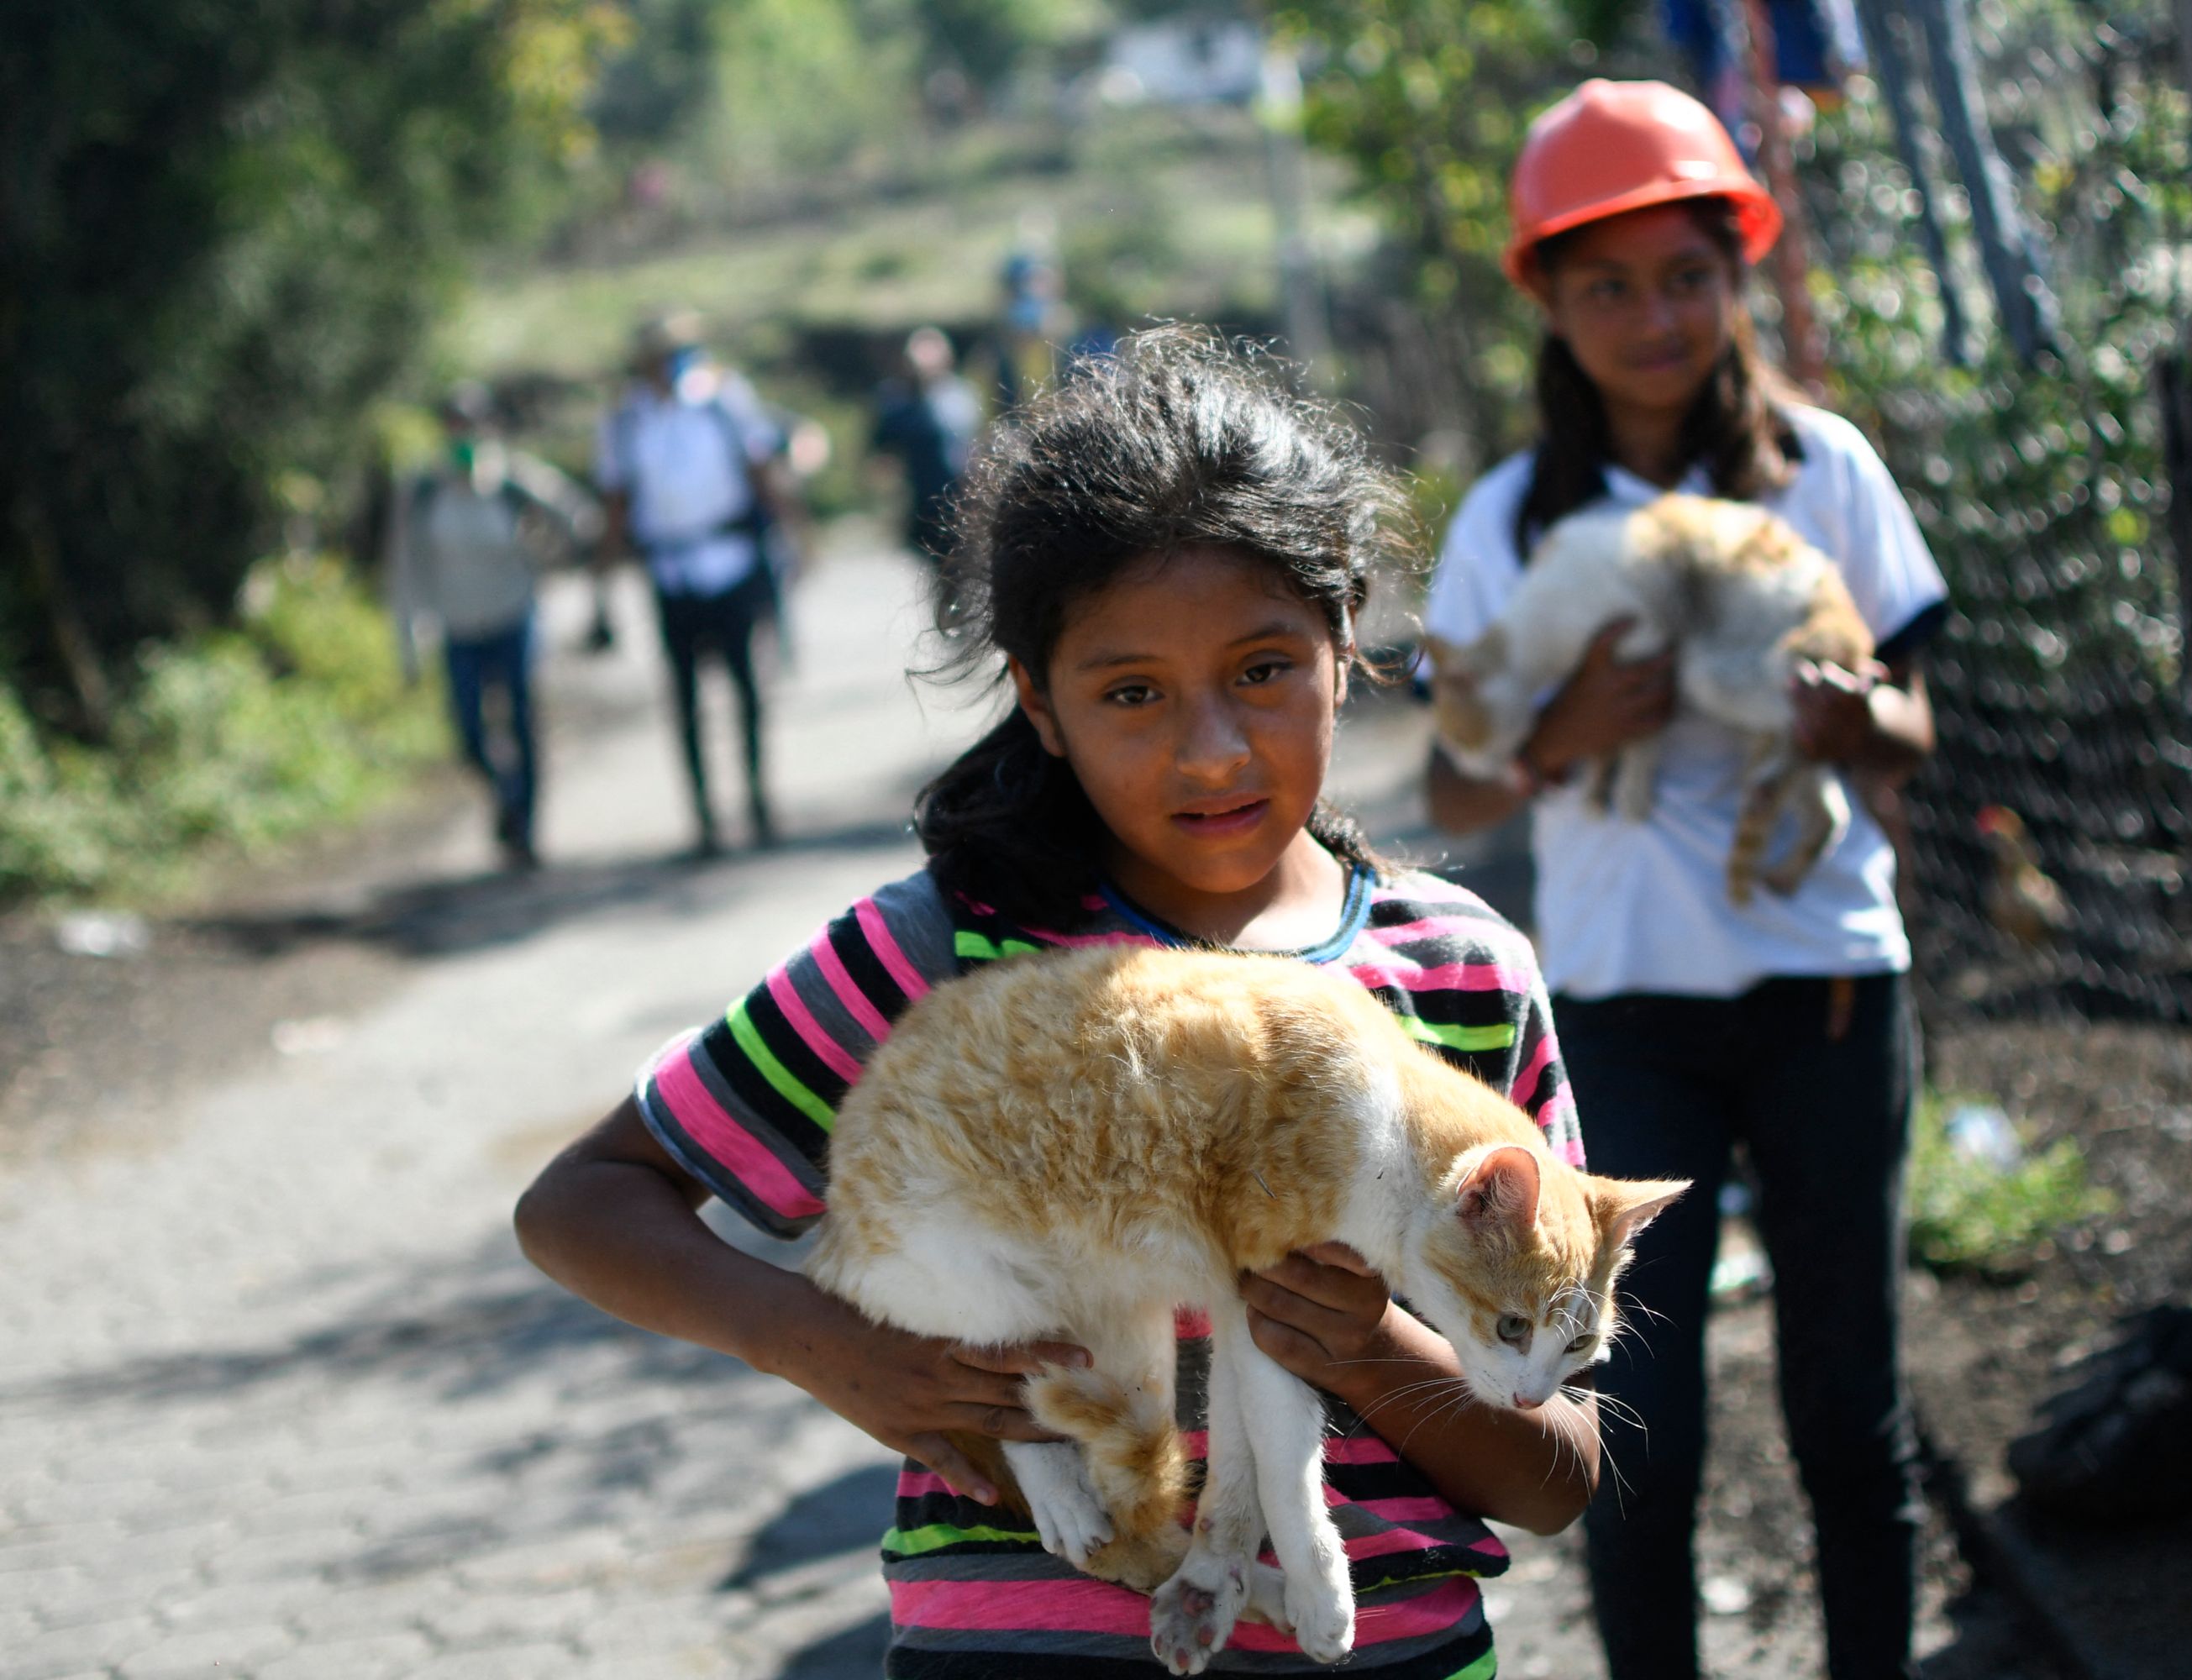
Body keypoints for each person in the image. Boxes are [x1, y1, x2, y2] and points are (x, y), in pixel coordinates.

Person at [516, 330, 1598, 1678]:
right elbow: (581, 1204)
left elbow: (1559, 1478)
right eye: (1132, 692)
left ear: (1346, 639)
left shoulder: (1462, 976)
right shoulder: (945, 955)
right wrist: (829, 1349)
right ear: (1039, 702)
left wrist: (1375, 1348)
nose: (1211, 748)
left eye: (1263, 669)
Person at [1419, 81, 1950, 1680]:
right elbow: (1449, 777)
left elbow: (1917, 727)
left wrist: (1857, 722)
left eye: (1688, 276)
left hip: (1830, 984)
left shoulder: (1826, 471)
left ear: (1736, 278)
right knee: (1637, 1430)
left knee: (1847, 1407)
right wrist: (1557, 735)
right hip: (1620, 1006)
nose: (1656, 315)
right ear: (1550, 302)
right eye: (1609, 285)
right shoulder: (1515, 519)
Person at [593, 310, 801, 855]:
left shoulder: (724, 401)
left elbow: (762, 473)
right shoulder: (625, 422)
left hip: (731, 562)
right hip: (670, 574)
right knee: (684, 699)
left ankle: (758, 797)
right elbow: (616, 503)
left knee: (746, 690)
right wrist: (603, 586)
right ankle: (705, 817)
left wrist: (795, 534)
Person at [389, 383, 597, 869]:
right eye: (453, 426)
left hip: (513, 615)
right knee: (469, 733)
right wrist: (408, 640)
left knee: (522, 721)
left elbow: (577, 518)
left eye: (471, 426)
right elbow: (403, 568)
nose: (462, 435)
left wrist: (548, 551)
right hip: (458, 626)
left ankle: (525, 828)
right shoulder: (422, 490)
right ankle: (504, 794)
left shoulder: (514, 481)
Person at [867, 326, 980, 566]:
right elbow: (882, 456)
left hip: (962, 496)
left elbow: (977, 443)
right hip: (922, 501)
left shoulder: (962, 396)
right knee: (936, 571)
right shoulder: (897, 401)